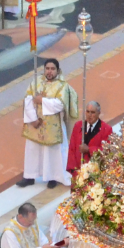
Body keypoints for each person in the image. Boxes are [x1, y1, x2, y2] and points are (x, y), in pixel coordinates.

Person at [18, 59, 78, 187]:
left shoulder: (62, 86)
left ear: (58, 70)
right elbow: (28, 99)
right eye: (47, 68)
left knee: (52, 151)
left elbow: (60, 104)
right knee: (32, 150)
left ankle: (53, 177)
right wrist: (33, 119)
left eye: (52, 69)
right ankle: (29, 176)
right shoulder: (36, 82)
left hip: (53, 126)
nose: (49, 71)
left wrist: (42, 101)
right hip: (35, 124)